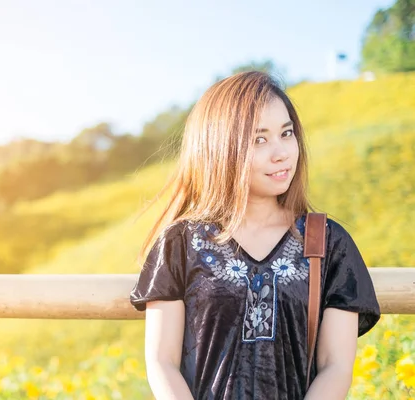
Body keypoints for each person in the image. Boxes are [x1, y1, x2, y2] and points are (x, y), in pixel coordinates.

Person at [129, 71, 381, 400]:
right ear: (219, 147)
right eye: (259, 139)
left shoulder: (328, 243)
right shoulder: (179, 243)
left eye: (286, 133)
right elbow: (162, 362)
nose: (281, 153)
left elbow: (336, 365)